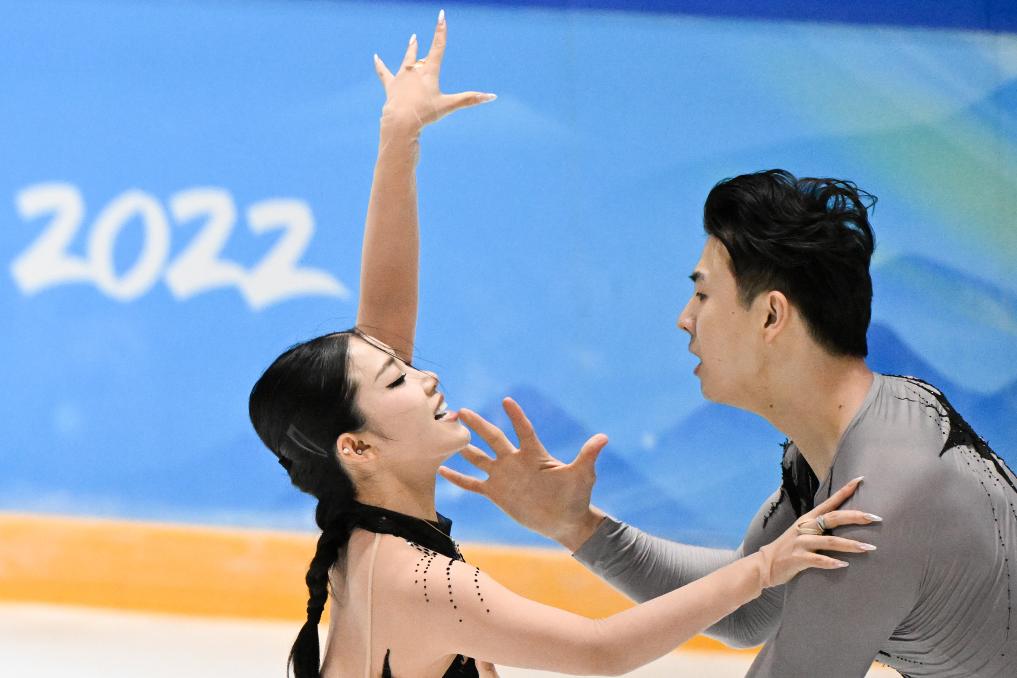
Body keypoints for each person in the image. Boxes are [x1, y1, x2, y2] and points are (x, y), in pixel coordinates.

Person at [247, 14, 880, 678]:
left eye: (405, 366)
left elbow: (382, 313)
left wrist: (399, 137)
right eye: (398, 379)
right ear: (357, 447)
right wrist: (764, 567)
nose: (425, 375)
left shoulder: (364, 529)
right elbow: (599, 651)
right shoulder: (421, 580)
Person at [440, 169, 1017, 676]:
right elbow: (750, 606)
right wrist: (578, 526)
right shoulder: (878, 420)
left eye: (703, 295)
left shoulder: (876, 507)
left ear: (771, 315)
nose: (684, 319)